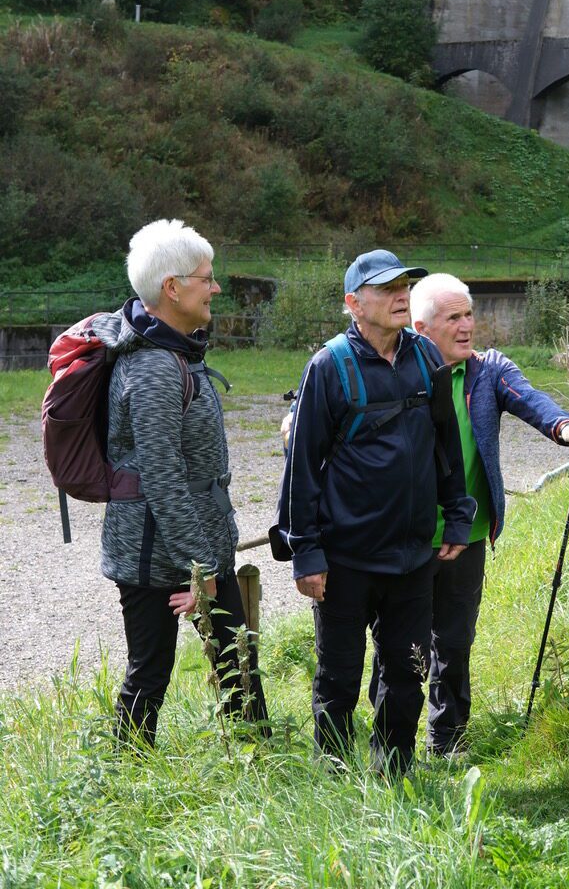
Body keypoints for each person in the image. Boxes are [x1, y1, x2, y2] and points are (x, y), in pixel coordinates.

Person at [273, 250, 475, 775]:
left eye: (404, 285)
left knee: (406, 673)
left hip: (412, 557)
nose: (400, 295)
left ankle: (395, 772)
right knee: (338, 676)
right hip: (346, 558)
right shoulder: (329, 367)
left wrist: (457, 514)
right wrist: (306, 553)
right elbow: (302, 468)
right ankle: (334, 774)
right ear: (354, 303)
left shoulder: (426, 357)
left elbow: (446, 445)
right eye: (386, 288)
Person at [408, 271, 569, 758]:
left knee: (454, 643)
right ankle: (393, 750)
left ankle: (448, 744)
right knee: (403, 648)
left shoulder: (489, 371)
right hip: (405, 535)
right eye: (453, 318)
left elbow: (531, 401)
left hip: (468, 534)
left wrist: (567, 427)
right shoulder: (398, 372)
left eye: (469, 314)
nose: (466, 326)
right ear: (420, 327)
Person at [97, 218, 268, 745]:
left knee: (238, 662)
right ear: (172, 288)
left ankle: (261, 766)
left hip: (196, 544)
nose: (215, 287)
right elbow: (163, 479)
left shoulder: (179, 351)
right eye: (206, 278)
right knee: (150, 673)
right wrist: (201, 571)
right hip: (154, 552)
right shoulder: (152, 369)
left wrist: (206, 562)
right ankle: (128, 773)